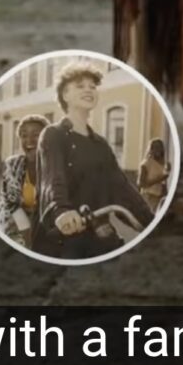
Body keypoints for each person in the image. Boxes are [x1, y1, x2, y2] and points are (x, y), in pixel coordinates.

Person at [33, 62, 157, 261]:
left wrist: (152, 221)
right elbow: (52, 178)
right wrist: (61, 211)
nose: (88, 90)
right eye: (80, 86)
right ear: (65, 95)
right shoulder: (53, 135)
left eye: (92, 86)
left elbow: (121, 188)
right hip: (65, 235)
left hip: (99, 231)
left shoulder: (100, 144)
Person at [0, 115, 49, 248]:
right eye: (24, 136)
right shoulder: (12, 164)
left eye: (36, 135)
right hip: (15, 224)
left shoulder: (55, 166)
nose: (29, 140)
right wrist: (27, 237)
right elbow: (10, 204)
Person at [137, 138, 170, 213]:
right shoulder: (146, 163)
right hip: (148, 196)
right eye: (155, 147)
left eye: (159, 147)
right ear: (151, 149)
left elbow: (164, 181)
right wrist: (160, 179)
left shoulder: (163, 164)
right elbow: (141, 183)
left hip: (159, 197)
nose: (157, 150)